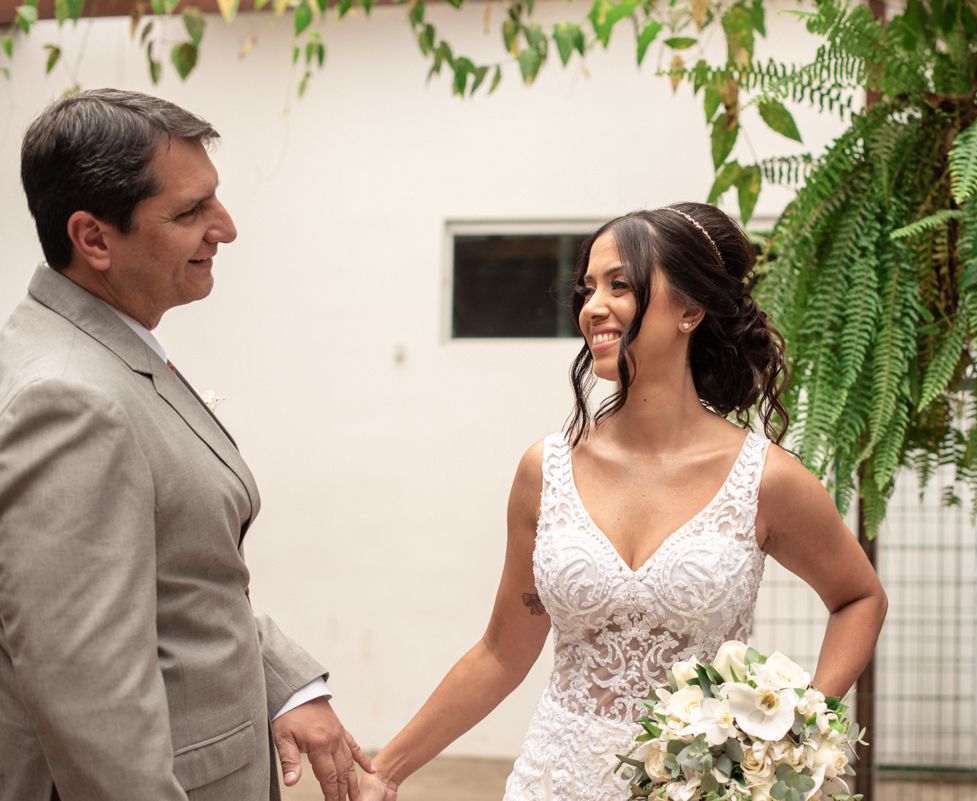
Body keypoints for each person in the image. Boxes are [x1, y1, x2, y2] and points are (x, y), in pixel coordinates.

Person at [358, 202, 888, 801]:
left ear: (690, 310)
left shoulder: (765, 479)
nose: (593, 307)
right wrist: (388, 769)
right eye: (587, 289)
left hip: (695, 790)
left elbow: (859, 597)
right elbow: (503, 652)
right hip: (553, 781)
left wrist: (794, 728)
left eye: (621, 286)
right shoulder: (546, 470)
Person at [0, 89, 374, 801]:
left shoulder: (93, 346)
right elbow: (89, 693)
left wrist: (285, 684)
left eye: (215, 199)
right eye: (188, 212)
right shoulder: (69, 399)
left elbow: (177, 571)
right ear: (94, 238)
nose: (224, 228)